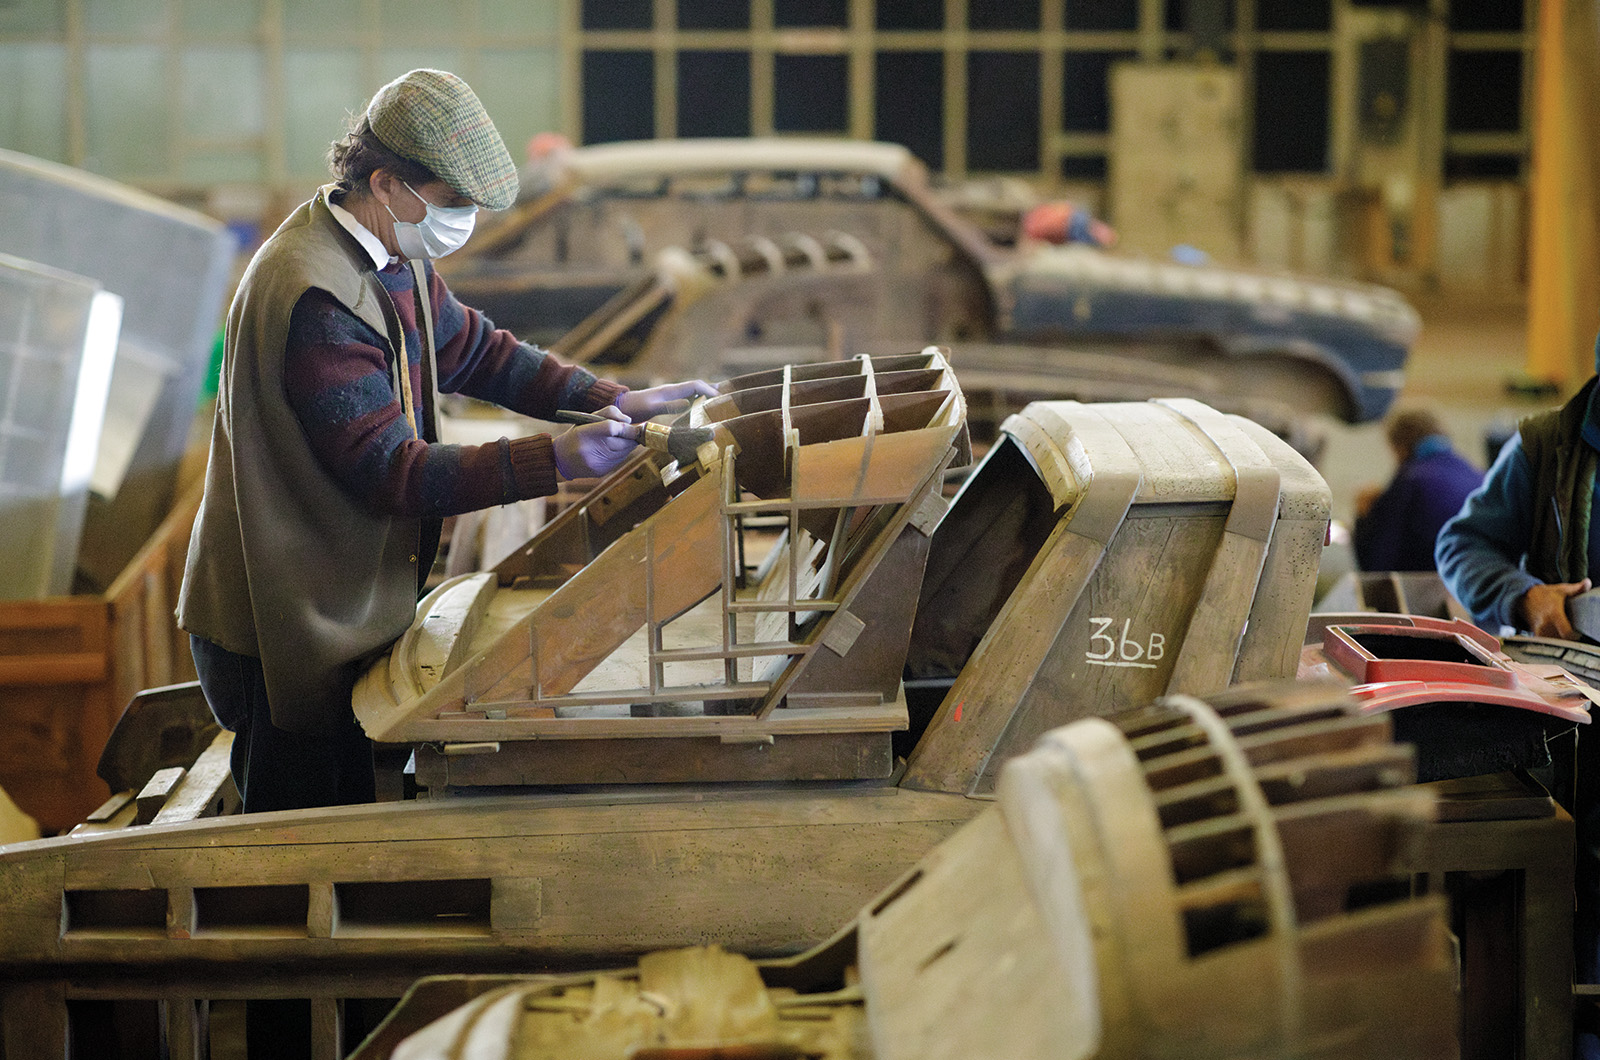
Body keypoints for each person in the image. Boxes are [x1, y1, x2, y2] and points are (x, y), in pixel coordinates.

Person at [177, 69, 714, 814]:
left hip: (333, 598)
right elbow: (393, 471)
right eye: (453, 202)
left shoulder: (388, 256)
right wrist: (556, 460)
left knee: (343, 815)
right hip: (281, 622)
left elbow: (478, 352)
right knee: (296, 837)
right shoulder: (316, 293)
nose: (460, 222)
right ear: (390, 182)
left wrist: (611, 398)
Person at [1352, 408, 1483, 572]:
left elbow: (1379, 567)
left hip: (1433, 585)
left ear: (1400, 447)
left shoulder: (1410, 482)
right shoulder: (1478, 476)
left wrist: (1364, 517)